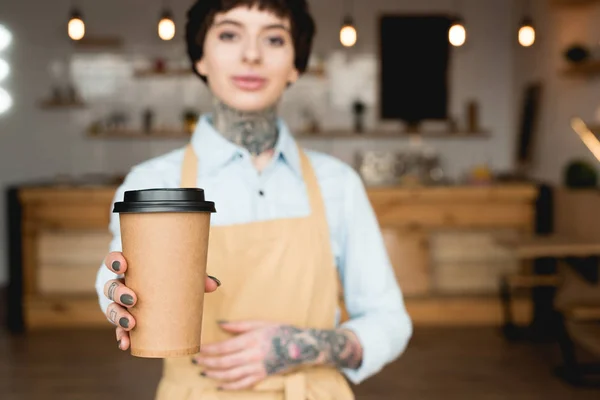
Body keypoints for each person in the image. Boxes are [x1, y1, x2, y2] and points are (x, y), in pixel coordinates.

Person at [95, 0, 412, 398]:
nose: (251, 54)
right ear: (200, 57)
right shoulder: (152, 182)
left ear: (296, 64)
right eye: (229, 34)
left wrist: (302, 346)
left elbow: (390, 320)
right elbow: (115, 271)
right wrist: (118, 292)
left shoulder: (339, 184)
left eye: (274, 39)